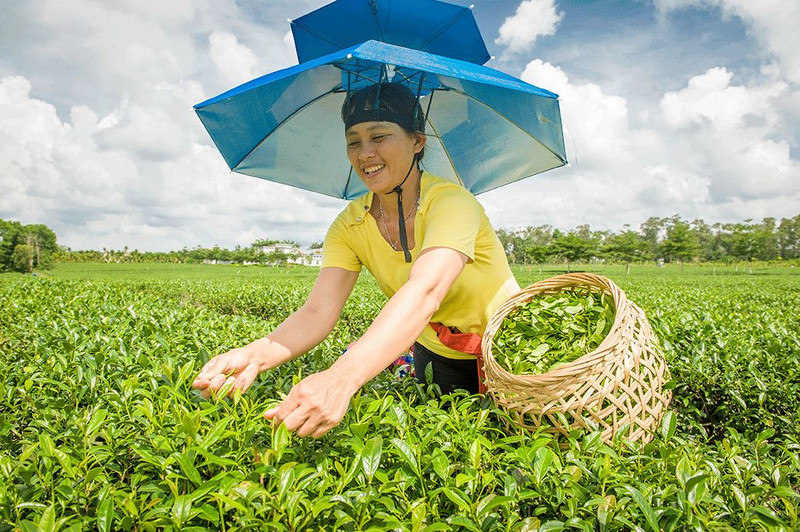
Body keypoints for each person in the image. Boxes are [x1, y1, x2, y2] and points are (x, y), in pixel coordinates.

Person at [192, 82, 519, 438]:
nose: (365, 153)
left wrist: (340, 378)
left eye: (379, 136)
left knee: (514, 441)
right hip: (437, 352)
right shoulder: (350, 225)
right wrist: (255, 354)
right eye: (353, 141)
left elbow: (425, 291)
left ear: (417, 142)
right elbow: (318, 311)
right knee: (449, 443)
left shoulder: (452, 203)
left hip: (505, 349)